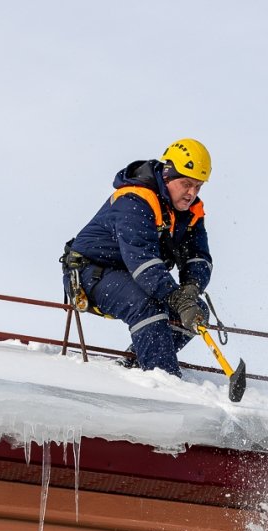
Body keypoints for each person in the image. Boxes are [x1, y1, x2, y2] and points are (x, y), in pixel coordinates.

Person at [61, 138, 214, 376]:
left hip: (134, 276)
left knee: (198, 310)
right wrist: (176, 298)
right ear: (167, 176)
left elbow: (198, 256)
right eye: (186, 184)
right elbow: (142, 260)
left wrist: (191, 289)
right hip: (92, 273)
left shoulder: (190, 212)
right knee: (147, 305)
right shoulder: (134, 200)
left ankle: (139, 361)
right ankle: (162, 378)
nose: (191, 193)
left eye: (198, 186)